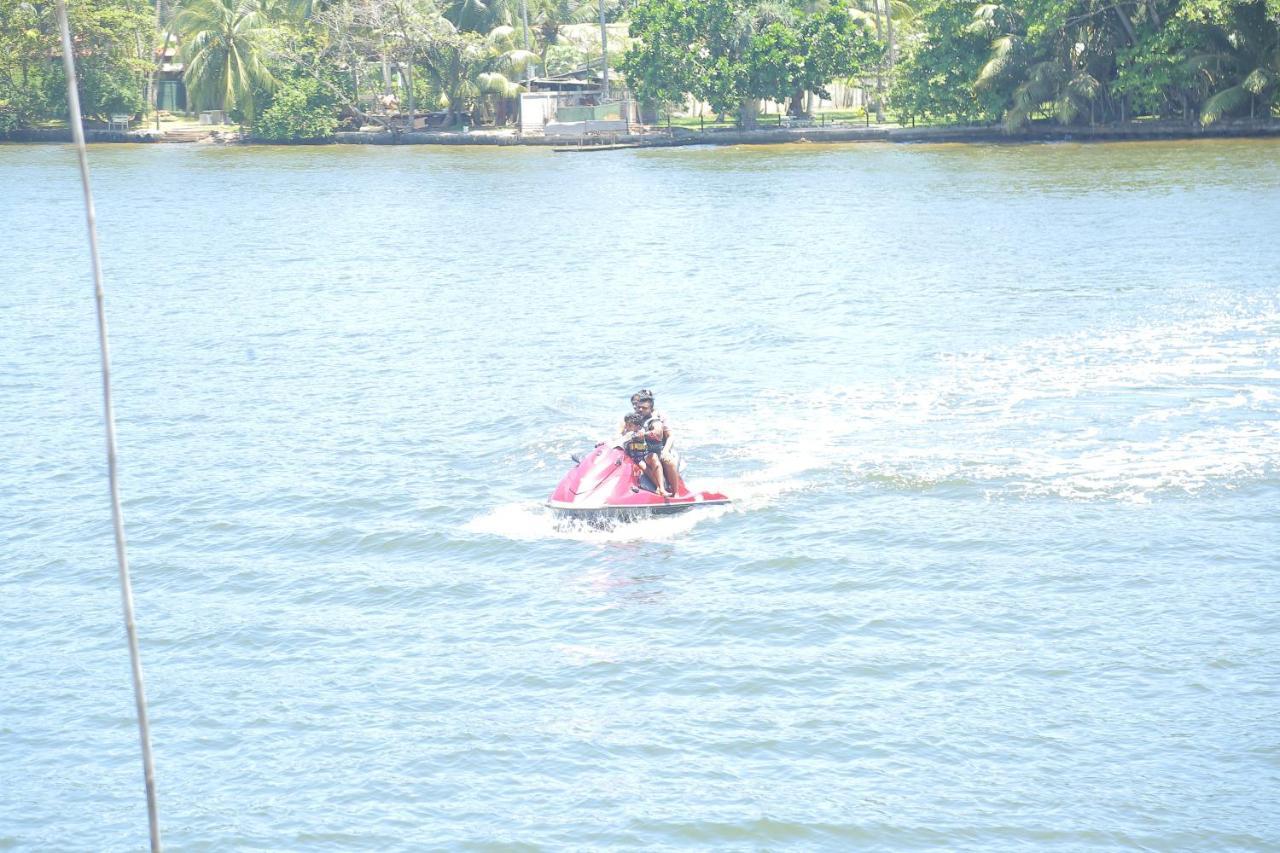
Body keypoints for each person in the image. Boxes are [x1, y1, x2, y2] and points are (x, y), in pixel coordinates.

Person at [622, 389, 681, 496]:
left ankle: (675, 492)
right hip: (642, 450)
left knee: (668, 461)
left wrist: (665, 451)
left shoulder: (656, 418)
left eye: (643, 407)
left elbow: (662, 433)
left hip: (659, 447)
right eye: (636, 405)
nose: (639, 409)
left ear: (650, 407)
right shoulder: (635, 416)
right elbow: (623, 430)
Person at [620, 412, 669, 496]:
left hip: (643, 456)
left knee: (654, 459)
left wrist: (645, 434)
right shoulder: (627, 433)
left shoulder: (641, 432)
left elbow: (653, 434)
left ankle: (661, 488)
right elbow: (620, 439)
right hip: (635, 459)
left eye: (630, 426)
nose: (627, 427)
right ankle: (658, 487)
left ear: (638, 426)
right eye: (626, 425)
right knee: (644, 466)